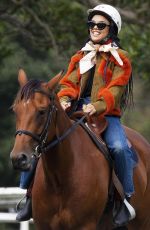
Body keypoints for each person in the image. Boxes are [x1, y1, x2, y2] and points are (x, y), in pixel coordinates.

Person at [16, 4, 137, 226]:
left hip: (105, 114)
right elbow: (69, 82)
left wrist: (97, 105)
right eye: (92, 24)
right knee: (39, 137)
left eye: (101, 25)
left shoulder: (120, 58)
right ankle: (29, 197)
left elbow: (116, 89)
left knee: (119, 147)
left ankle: (124, 199)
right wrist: (64, 98)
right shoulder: (79, 56)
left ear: (111, 29)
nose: (95, 28)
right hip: (74, 110)